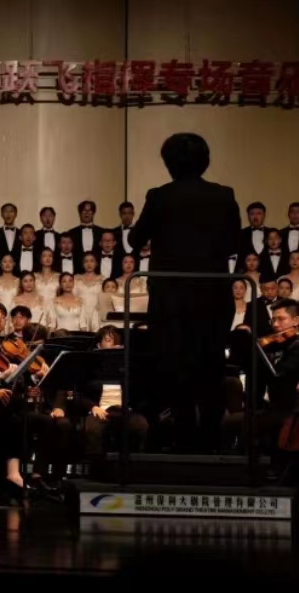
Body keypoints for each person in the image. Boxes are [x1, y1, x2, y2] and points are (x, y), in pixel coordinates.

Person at [128, 133, 241, 451]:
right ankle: (211, 439)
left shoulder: (159, 196)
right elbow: (234, 242)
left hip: (171, 299)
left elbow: (135, 240)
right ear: (205, 161)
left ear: (169, 164)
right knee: (211, 366)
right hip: (212, 296)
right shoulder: (224, 195)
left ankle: (185, 437)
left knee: (175, 368)